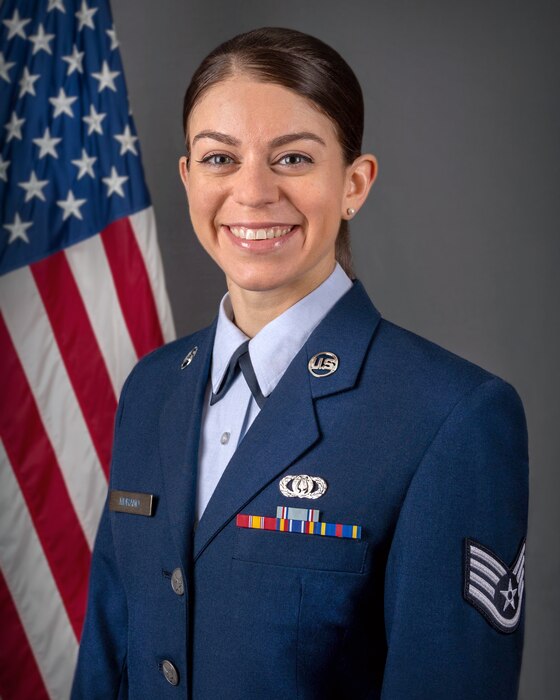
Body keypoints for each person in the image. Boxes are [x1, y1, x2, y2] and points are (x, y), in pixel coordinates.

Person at [72, 27, 528, 699]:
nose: (252, 193)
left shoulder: (450, 416)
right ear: (188, 178)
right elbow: (107, 662)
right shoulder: (151, 388)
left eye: (291, 159)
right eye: (220, 159)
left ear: (354, 183)